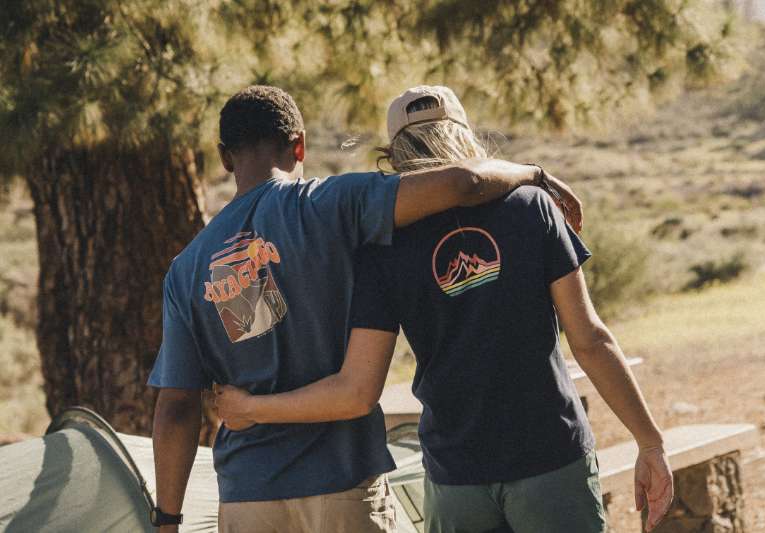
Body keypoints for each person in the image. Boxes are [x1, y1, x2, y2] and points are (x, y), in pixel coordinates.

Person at [215, 85, 674, 533]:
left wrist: (252, 407)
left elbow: (357, 388)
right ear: (466, 135)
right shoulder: (532, 206)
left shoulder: (382, 244)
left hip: (457, 475)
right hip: (550, 457)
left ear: (395, 155)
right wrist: (649, 443)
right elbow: (590, 340)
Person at [148, 85, 582, 533]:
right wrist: (534, 175)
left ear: (224, 157)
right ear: (299, 144)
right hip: (343, 484)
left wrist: (167, 519)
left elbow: (177, 406)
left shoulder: (187, 269)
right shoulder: (330, 204)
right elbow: (462, 183)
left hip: (247, 497)